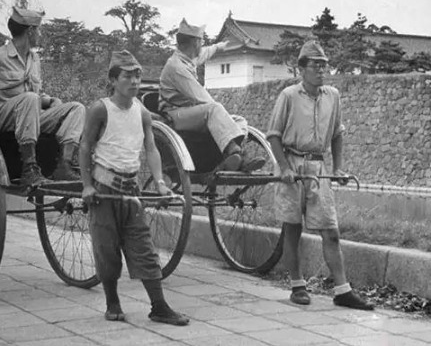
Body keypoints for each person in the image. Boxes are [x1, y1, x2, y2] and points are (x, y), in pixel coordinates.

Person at [79, 50, 189, 326]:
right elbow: (84, 147)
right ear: (113, 80)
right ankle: (112, 301)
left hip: (131, 190)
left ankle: (159, 306)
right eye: (127, 76)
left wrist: (161, 182)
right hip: (103, 190)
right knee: (107, 250)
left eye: (138, 75)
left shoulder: (142, 112)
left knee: (144, 248)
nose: (135, 81)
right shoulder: (100, 109)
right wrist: (87, 186)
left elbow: (151, 148)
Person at [266, 39, 373, 310]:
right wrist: (285, 168)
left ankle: (342, 290)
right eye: (315, 66)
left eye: (325, 66)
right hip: (291, 163)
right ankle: (297, 285)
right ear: (302, 69)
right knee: (292, 228)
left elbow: (337, 133)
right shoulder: (289, 96)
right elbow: (274, 136)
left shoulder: (332, 96)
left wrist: (337, 168)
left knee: (331, 230)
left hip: (318, 166)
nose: (321, 71)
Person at [0, 7, 86, 186]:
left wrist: (50, 100)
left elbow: (36, 93)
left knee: (76, 108)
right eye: (38, 30)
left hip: (31, 116)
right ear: (30, 31)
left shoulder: (35, 59)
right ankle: (29, 168)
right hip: (2, 117)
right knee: (30, 99)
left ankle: (64, 165)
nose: (40, 34)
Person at [159, 18, 260, 172]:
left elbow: (206, 52)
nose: (202, 44)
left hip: (189, 114)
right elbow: (201, 97)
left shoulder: (187, 58)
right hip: (174, 115)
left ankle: (232, 159)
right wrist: (221, 115)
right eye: (200, 41)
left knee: (239, 120)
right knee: (214, 109)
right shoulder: (176, 67)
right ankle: (236, 152)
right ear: (195, 43)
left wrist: (220, 46)